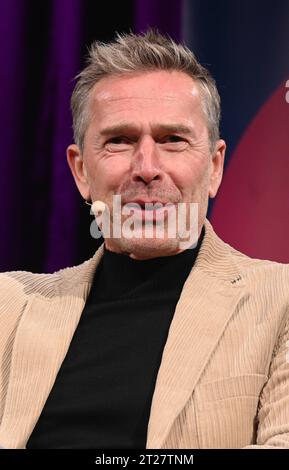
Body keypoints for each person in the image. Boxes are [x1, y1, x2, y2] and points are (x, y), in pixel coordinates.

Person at [0, 30, 288, 450]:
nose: (147, 167)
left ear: (214, 166)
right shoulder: (9, 306)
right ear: (81, 171)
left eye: (173, 140)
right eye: (120, 140)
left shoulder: (280, 300)